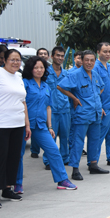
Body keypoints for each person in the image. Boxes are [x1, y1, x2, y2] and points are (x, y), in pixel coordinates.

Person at [0, 49, 29, 208]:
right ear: (5, 60)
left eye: (18, 60)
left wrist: (26, 124)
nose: (16, 63)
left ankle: (7, 188)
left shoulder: (19, 76)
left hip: (17, 123)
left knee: (14, 157)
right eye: (12, 59)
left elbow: (23, 102)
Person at [22, 57, 77, 190]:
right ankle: (17, 184)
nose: (39, 70)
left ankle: (62, 180)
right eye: (36, 68)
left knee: (53, 150)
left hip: (40, 125)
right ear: (30, 69)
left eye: (42, 67)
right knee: (18, 155)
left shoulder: (46, 86)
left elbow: (48, 107)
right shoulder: (25, 83)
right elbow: (22, 104)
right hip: (24, 125)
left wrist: (50, 126)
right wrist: (27, 124)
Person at [58, 50, 107, 180]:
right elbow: (61, 87)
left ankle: (93, 165)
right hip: (82, 114)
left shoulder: (95, 74)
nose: (89, 63)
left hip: (96, 113)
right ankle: (75, 169)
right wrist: (74, 98)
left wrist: (97, 103)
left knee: (95, 140)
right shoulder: (75, 74)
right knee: (78, 142)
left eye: (92, 60)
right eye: (87, 60)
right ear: (82, 60)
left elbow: (101, 87)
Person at [43, 47, 71, 167]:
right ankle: (49, 161)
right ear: (52, 56)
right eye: (57, 55)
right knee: (50, 137)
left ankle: (65, 158)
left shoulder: (66, 74)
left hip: (65, 109)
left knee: (65, 136)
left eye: (62, 56)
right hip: (51, 110)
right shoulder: (45, 73)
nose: (60, 58)